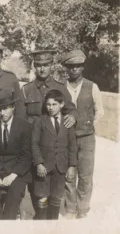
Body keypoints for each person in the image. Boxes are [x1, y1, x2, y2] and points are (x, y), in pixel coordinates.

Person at [18, 49, 78, 214]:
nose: (42, 69)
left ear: (51, 65)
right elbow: (21, 119)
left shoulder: (60, 88)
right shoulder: (26, 90)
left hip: (52, 146)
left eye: (45, 65)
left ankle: (48, 220)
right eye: (38, 65)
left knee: (54, 187)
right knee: (35, 185)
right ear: (34, 66)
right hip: (32, 144)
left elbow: (72, 109)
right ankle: (39, 217)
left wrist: (73, 116)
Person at [62, 50, 104, 219]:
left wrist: (89, 124)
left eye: (78, 66)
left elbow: (99, 110)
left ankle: (83, 208)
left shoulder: (92, 86)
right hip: (67, 138)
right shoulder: (61, 87)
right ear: (67, 68)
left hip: (86, 138)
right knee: (69, 174)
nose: (74, 70)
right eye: (71, 66)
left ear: (83, 67)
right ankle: (70, 208)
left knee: (86, 174)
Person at [0, 88, 33, 220]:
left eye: (6, 108)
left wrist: (13, 175)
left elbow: (26, 156)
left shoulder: (24, 126)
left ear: (13, 107)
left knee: (13, 200)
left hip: (16, 172)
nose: (2, 113)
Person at [31, 90, 77, 220]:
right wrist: (39, 163)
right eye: (48, 104)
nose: (50, 108)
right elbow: (34, 144)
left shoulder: (68, 122)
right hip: (44, 168)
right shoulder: (40, 121)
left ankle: (53, 225)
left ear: (62, 104)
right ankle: (41, 224)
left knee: (56, 198)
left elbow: (72, 145)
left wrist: (72, 165)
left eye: (54, 104)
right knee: (42, 198)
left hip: (61, 167)